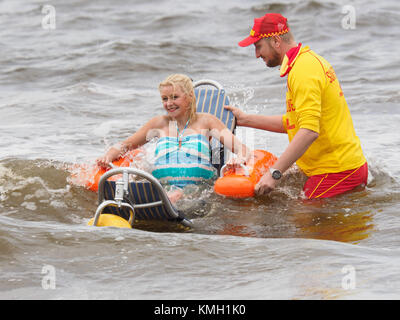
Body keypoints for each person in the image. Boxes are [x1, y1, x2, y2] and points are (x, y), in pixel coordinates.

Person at [225, 13, 368, 199]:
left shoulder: (303, 71)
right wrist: (244, 119)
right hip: (338, 167)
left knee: (299, 221)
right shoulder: (302, 63)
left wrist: (274, 173)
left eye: (258, 46)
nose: (257, 54)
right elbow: (295, 123)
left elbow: (309, 131)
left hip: (337, 171)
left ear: (276, 41)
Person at [97, 74, 251, 202]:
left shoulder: (206, 121)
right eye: (165, 99)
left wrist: (239, 158)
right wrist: (108, 156)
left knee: (177, 196)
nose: (169, 103)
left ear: (190, 97)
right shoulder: (159, 123)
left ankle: (171, 199)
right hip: (161, 187)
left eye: (174, 97)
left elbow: (241, 149)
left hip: (198, 192)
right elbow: (125, 145)